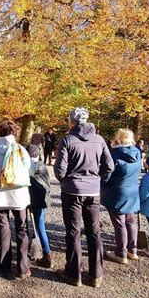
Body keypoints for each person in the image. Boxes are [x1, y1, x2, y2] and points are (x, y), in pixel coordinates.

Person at [53, 107, 114, 288]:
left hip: (72, 191)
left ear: (71, 121)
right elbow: (109, 166)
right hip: (93, 191)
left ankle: (74, 274)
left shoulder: (67, 140)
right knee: (94, 231)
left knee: (73, 231)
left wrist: (66, 180)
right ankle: (96, 274)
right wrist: (97, 179)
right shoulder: (99, 140)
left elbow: (60, 169)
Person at [0, 120, 32, 279]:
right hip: (19, 197)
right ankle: (23, 267)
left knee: (3, 228)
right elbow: (29, 171)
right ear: (14, 133)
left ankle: (4, 265)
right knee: (22, 229)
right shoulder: (21, 150)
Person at [101, 128, 141, 265]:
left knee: (119, 223)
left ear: (117, 139)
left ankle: (121, 252)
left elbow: (107, 174)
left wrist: (101, 183)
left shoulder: (114, 156)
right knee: (130, 221)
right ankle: (133, 250)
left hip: (117, 192)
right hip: (133, 191)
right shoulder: (138, 153)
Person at [27, 144, 52, 268]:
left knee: (32, 226)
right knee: (40, 225)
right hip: (42, 200)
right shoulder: (42, 166)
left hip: (31, 201)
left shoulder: (26, 167)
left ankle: (44, 253)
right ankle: (45, 252)